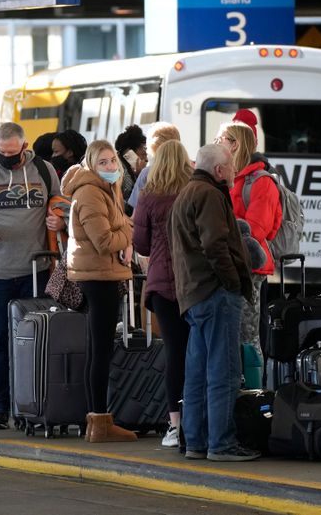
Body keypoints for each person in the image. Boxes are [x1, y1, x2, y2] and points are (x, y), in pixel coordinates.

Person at [0, 122, 62, 430]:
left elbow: (59, 204)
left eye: (11, 152)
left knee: (36, 341)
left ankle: (32, 406)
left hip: (36, 269)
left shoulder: (45, 171)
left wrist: (58, 220)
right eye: (0, 152)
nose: (5, 157)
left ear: (24, 145)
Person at [170, 143, 259, 462]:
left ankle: (196, 441)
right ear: (218, 170)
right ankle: (221, 443)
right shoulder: (210, 194)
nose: (235, 171)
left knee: (196, 373)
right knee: (224, 371)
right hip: (215, 293)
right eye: (232, 166)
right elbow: (215, 245)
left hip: (194, 295)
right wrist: (233, 282)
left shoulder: (186, 193)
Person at [62, 140, 135, 443]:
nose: (109, 167)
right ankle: (99, 421)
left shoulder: (106, 189)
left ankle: (97, 420)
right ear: (91, 164)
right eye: (102, 162)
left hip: (101, 273)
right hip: (98, 276)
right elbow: (104, 240)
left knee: (98, 348)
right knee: (100, 350)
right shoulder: (91, 191)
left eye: (112, 161)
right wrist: (130, 233)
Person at [132, 139, 194, 448]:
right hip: (194, 283)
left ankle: (174, 424)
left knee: (173, 353)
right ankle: (197, 419)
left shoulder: (148, 196)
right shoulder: (194, 192)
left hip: (160, 283)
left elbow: (140, 244)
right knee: (198, 351)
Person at [216, 122, 280, 367]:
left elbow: (259, 228)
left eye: (221, 138)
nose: (217, 142)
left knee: (248, 335)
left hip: (250, 266)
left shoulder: (260, 181)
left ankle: (255, 394)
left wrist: (223, 225)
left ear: (234, 144)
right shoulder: (231, 177)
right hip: (230, 261)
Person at [128, 124, 183, 210]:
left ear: (153, 147)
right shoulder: (191, 172)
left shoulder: (146, 174)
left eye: (147, 147)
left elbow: (136, 216)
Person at [114, 125, 147, 214]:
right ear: (129, 152)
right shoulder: (118, 169)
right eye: (142, 149)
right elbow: (129, 205)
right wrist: (141, 177)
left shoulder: (130, 169)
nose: (146, 158)